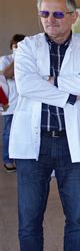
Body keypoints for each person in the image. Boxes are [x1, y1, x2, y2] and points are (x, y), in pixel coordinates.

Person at [10, 0, 80, 251]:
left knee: (77, 219)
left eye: (57, 13)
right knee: (29, 221)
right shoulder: (28, 47)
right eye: (44, 13)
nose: (50, 19)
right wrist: (71, 95)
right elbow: (28, 86)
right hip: (34, 145)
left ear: (73, 16)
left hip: (71, 144)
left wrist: (54, 81)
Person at [0, 34, 25, 172]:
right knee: (9, 133)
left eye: (22, 46)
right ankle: (8, 160)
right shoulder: (5, 60)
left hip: (24, 105)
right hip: (9, 104)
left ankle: (21, 160)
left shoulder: (29, 61)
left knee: (23, 134)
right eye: (16, 46)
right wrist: (18, 59)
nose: (18, 49)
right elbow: (3, 75)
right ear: (12, 46)